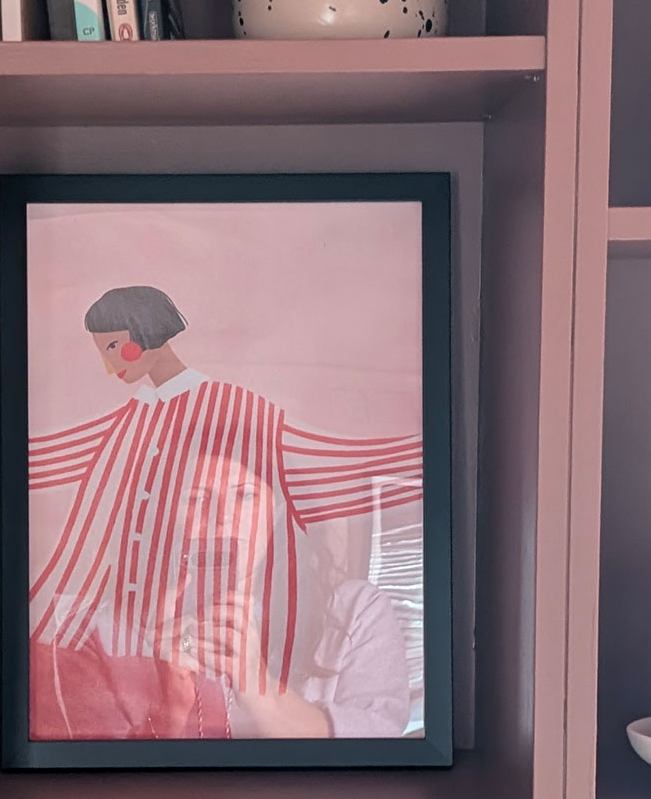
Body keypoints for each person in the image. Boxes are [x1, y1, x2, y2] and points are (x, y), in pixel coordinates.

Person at [27, 285, 420, 740]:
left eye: (245, 497)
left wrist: (258, 687)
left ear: (276, 512)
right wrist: (169, 700)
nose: (222, 519)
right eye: (196, 500)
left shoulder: (353, 613)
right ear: (168, 517)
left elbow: (382, 752)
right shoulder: (105, 625)